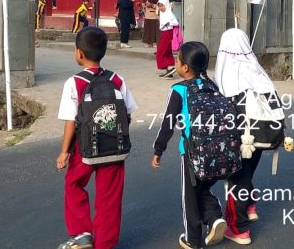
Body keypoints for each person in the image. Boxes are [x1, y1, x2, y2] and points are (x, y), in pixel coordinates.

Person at [56, 26, 138, 249]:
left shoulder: (74, 83)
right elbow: (128, 111)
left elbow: (70, 121)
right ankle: (104, 245)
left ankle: (82, 233)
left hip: (84, 149)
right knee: (109, 198)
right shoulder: (117, 79)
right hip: (114, 148)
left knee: (74, 184)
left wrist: (64, 152)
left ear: (79, 53)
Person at [152, 41, 228, 249]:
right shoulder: (212, 86)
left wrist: (159, 149)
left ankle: (192, 239)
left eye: (177, 59)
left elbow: (169, 122)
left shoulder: (179, 89)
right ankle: (214, 218)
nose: (176, 63)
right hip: (218, 150)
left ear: (185, 67)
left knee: (189, 196)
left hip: (192, 152)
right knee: (202, 188)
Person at [214, 28, 280, 245]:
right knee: (247, 173)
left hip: (239, 138)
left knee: (236, 180)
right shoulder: (257, 70)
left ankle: (238, 228)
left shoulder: (226, 72)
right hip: (262, 134)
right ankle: (249, 204)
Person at [156, 0, 178, 79]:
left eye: (163, 6)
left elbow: (176, 22)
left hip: (168, 33)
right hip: (164, 33)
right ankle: (168, 71)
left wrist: (169, 23)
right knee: (167, 51)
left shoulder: (169, 13)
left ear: (167, 5)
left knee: (160, 52)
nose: (161, 8)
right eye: (160, 6)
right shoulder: (163, 13)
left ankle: (170, 68)